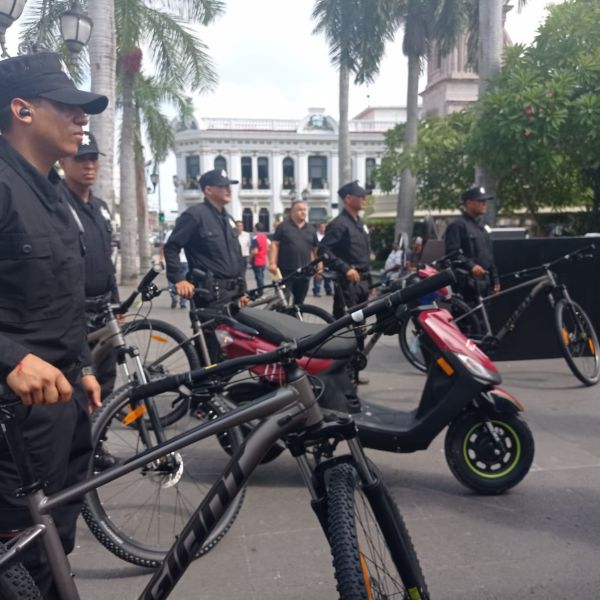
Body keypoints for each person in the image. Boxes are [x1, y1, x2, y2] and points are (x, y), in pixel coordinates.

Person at [0, 52, 107, 598]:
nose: (80, 119)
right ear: (21, 109)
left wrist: (82, 364)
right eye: (66, 107)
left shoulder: (57, 197)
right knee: (21, 562)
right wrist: (11, 358)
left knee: (56, 547)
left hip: (64, 407)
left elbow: (58, 295)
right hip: (11, 426)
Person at [59, 132, 120, 401]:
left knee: (106, 377)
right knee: (78, 381)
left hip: (103, 308)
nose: (89, 165)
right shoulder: (55, 203)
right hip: (74, 312)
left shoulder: (101, 207)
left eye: (93, 158)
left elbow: (107, 258)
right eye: (81, 158)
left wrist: (116, 304)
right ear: (63, 160)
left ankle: (99, 438)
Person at [163, 168, 245, 361]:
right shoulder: (195, 215)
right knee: (212, 350)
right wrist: (179, 279)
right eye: (222, 186)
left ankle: (218, 386)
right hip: (210, 295)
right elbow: (172, 248)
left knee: (232, 348)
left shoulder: (227, 218)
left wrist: (244, 290)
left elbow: (236, 256)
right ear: (208, 190)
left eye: (229, 186)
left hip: (232, 294)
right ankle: (202, 389)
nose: (228, 190)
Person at [320, 180, 371, 384]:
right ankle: (342, 373)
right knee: (346, 328)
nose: (364, 199)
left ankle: (354, 372)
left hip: (363, 282)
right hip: (348, 283)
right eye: (361, 196)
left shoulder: (359, 223)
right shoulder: (339, 224)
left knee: (360, 327)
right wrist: (345, 268)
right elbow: (324, 250)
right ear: (348, 199)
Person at [444, 186, 500, 301]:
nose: (484, 204)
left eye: (485, 201)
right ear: (469, 203)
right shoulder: (457, 225)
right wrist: (471, 266)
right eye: (481, 201)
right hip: (466, 286)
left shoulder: (483, 226)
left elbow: (489, 255)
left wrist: (495, 279)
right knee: (467, 319)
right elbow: (452, 253)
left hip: (485, 284)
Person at [269, 200, 318, 304]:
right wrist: (272, 263)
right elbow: (274, 244)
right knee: (282, 301)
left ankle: (296, 319)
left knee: (300, 302)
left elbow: (314, 249)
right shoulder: (283, 227)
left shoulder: (311, 229)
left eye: (305, 210)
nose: (303, 212)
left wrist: (318, 266)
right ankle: (282, 320)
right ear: (292, 212)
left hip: (304, 272)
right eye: (300, 210)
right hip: (285, 272)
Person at [161, 228, 187, 309]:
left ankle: (174, 297)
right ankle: (183, 302)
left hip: (173, 260)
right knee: (185, 282)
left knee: (171, 282)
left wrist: (161, 258)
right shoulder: (188, 231)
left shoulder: (170, 233)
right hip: (186, 261)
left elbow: (165, 247)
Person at [312, 222, 333, 297]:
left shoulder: (328, 236)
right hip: (319, 257)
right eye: (322, 227)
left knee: (328, 275)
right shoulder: (316, 236)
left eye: (324, 227)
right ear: (319, 228)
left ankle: (328, 290)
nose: (323, 229)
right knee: (318, 275)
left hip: (328, 258)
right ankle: (316, 290)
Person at [250, 222, 269, 290]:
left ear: (256, 228)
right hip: (263, 260)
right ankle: (261, 289)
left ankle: (260, 291)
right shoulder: (264, 237)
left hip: (257, 260)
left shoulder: (255, 238)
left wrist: (249, 259)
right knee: (261, 276)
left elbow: (255, 251)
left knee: (258, 277)